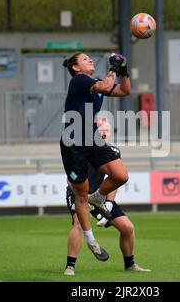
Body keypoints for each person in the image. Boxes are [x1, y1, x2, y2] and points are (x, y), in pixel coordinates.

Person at [60, 52, 131, 262]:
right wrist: (114, 67)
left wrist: (124, 71)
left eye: (90, 58)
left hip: (91, 138)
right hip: (73, 143)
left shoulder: (96, 82)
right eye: (84, 59)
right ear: (75, 68)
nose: (90, 60)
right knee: (80, 195)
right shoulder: (80, 80)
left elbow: (125, 91)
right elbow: (105, 85)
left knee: (121, 175)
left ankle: (98, 197)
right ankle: (91, 241)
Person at [64, 120, 151, 276]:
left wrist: (109, 203)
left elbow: (114, 181)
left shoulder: (112, 152)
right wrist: (84, 201)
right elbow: (70, 180)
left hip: (99, 198)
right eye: (101, 130)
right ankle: (70, 267)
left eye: (107, 131)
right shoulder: (80, 149)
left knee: (128, 228)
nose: (104, 133)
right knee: (79, 224)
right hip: (79, 196)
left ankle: (130, 264)